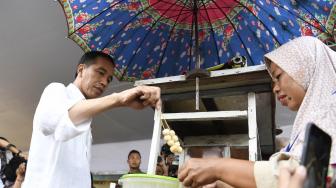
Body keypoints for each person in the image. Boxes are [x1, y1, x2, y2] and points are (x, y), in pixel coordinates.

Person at [178, 36, 336, 188]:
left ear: (305, 66)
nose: (275, 88)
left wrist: (217, 167)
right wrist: (222, 182)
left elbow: (300, 175)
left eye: (278, 76)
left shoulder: (331, 108)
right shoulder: (312, 121)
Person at [22, 51, 161, 188]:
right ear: (81, 69)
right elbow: (59, 123)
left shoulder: (86, 119)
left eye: (109, 79)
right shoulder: (56, 90)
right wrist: (118, 98)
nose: (104, 82)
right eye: (100, 72)